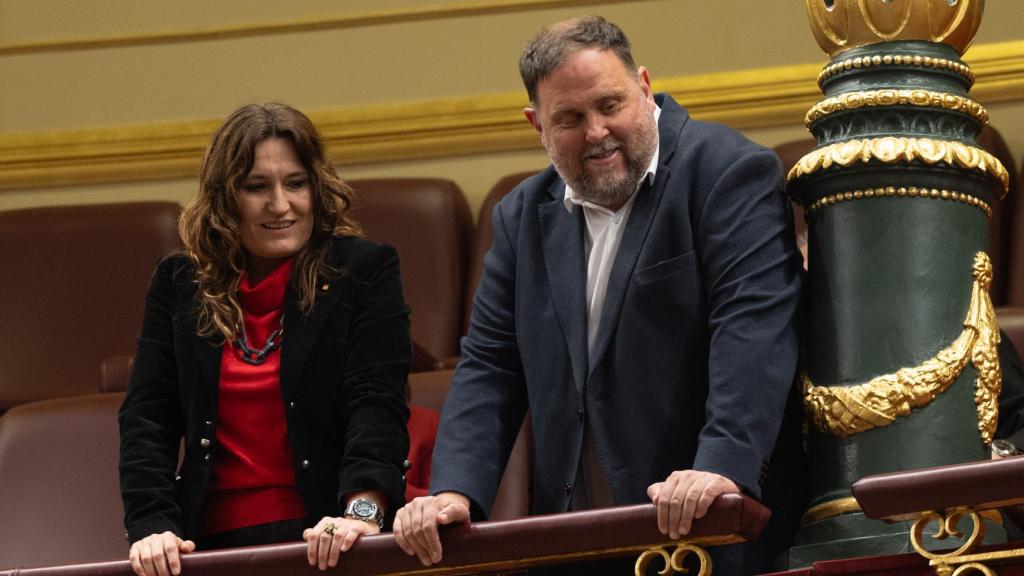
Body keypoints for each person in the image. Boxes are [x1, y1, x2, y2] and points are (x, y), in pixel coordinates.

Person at [394, 16, 802, 574]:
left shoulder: (726, 171)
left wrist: (722, 469)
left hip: (708, 530)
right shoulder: (520, 217)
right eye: (570, 118)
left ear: (644, 85)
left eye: (610, 105)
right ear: (537, 124)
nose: (595, 132)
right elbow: (490, 365)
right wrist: (454, 489)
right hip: (579, 542)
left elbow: (752, 327)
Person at [118, 103, 411, 576]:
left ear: (316, 187)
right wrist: (151, 525)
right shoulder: (180, 282)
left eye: (295, 183)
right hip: (208, 547)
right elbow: (147, 416)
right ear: (224, 197)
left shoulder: (363, 270)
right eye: (257, 187)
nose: (280, 205)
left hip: (329, 537)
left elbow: (375, 403)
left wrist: (362, 514)